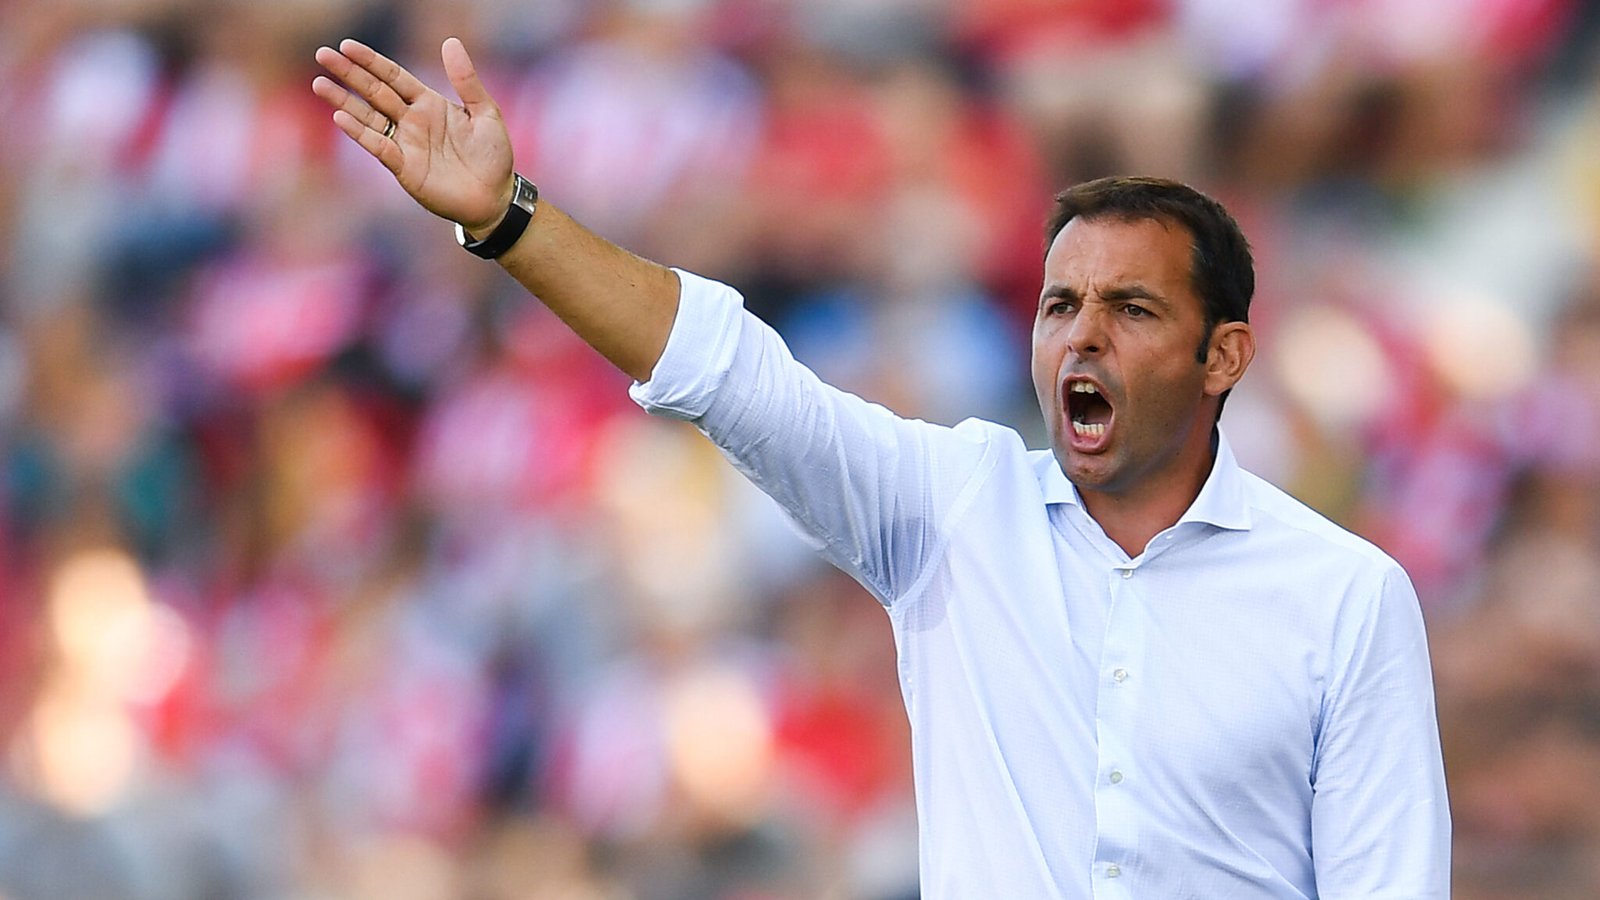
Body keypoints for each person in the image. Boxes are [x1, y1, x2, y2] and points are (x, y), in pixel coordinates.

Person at [313, 36, 1450, 898]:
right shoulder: (955, 510)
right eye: (1059, 306)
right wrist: (509, 221)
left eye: (1132, 308)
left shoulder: (1345, 598)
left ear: (1224, 356)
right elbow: (727, 371)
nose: (1082, 338)